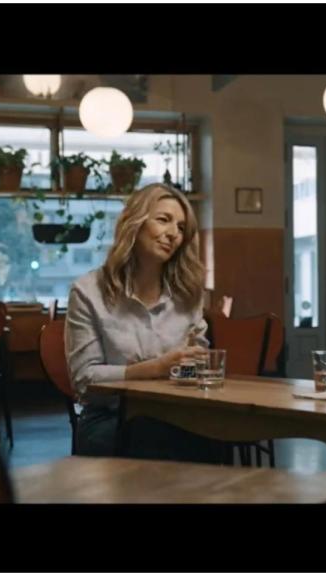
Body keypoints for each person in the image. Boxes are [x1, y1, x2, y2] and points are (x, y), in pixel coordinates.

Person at [65, 184, 225, 462]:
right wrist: (156, 368)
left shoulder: (188, 294)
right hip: (109, 417)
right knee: (157, 438)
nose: (174, 233)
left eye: (181, 227)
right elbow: (84, 380)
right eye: (163, 220)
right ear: (135, 223)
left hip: (176, 413)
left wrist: (183, 372)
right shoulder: (88, 291)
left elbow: (194, 373)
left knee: (214, 436)